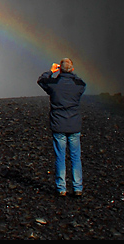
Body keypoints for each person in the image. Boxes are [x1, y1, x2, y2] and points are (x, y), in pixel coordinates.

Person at [37, 58, 86, 197]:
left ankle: (61, 188)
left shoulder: (54, 84)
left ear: (59, 69)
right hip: (74, 125)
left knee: (60, 157)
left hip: (58, 125)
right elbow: (82, 83)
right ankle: (77, 188)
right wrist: (71, 72)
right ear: (72, 69)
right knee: (76, 157)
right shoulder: (78, 85)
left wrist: (51, 71)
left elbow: (41, 80)